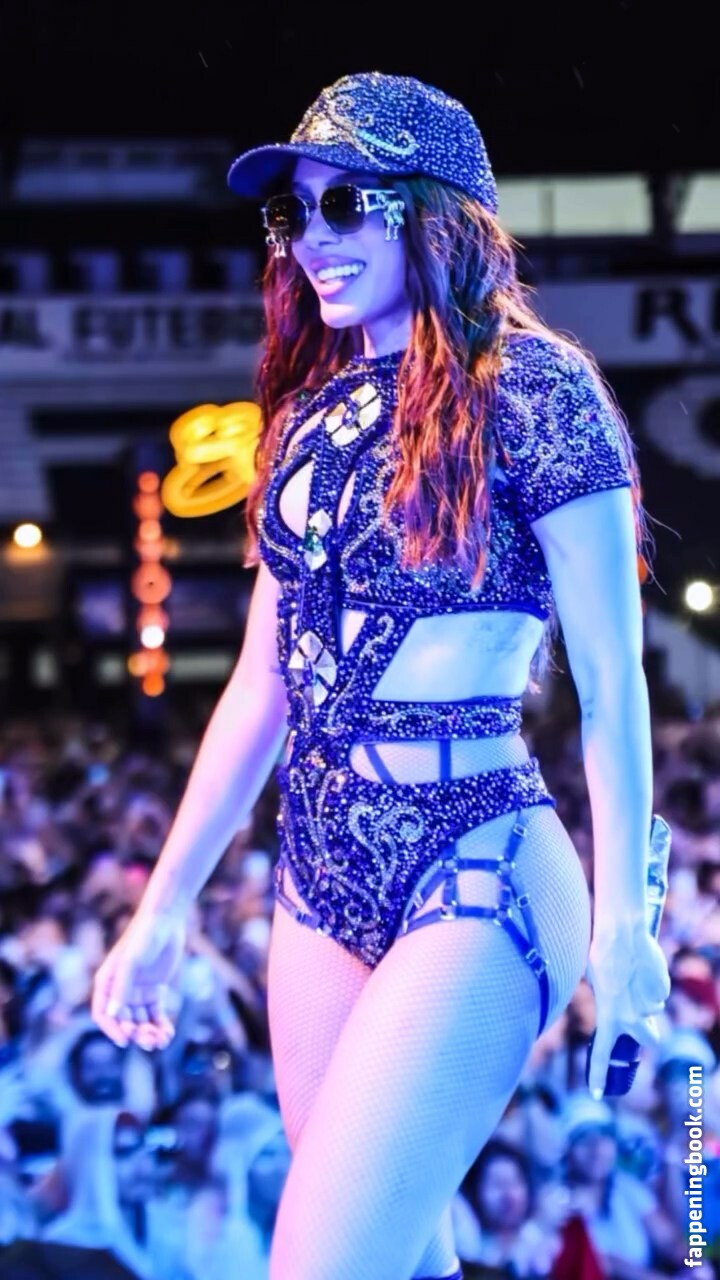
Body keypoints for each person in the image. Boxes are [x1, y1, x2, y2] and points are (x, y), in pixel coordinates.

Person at [92, 71, 672, 1280]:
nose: (310, 240)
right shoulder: (305, 421)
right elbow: (260, 687)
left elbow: (613, 684)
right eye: (292, 214)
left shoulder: (538, 389)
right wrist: (162, 907)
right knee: (400, 1261)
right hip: (318, 878)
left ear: (435, 211)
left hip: (482, 857)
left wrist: (627, 926)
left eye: (345, 203)